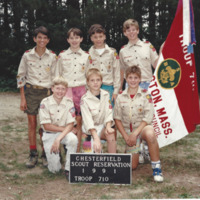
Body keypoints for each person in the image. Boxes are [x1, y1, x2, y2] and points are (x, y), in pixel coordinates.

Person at [119, 19, 162, 162]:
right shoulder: (123, 51)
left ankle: (148, 148)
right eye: (128, 30)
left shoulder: (147, 46)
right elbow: (122, 71)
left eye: (134, 29)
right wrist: (119, 87)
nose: (131, 32)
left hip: (148, 86)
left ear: (138, 30)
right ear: (125, 33)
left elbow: (157, 64)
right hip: (130, 86)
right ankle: (137, 148)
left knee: (148, 119)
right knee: (132, 119)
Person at [114, 66, 164, 182]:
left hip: (141, 129)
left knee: (150, 134)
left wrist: (135, 134)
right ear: (126, 78)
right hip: (129, 134)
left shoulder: (146, 95)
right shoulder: (120, 96)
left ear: (140, 79)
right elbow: (117, 119)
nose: (133, 80)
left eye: (135, 78)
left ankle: (156, 168)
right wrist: (127, 137)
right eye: (130, 77)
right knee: (132, 166)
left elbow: (147, 118)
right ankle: (139, 148)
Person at [17, 26, 57, 168]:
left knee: (45, 126)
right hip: (31, 92)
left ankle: (46, 154)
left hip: (47, 93)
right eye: (39, 37)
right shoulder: (27, 55)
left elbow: (55, 77)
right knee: (32, 124)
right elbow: (21, 76)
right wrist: (23, 98)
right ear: (34, 39)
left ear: (48, 40)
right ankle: (33, 154)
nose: (42, 40)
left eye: (45, 38)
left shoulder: (52, 56)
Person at [56, 28, 89, 152]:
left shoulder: (86, 56)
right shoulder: (62, 55)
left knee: (80, 122)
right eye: (71, 38)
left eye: (77, 37)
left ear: (81, 39)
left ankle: (77, 151)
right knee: (67, 120)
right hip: (66, 91)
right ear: (67, 40)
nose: (74, 40)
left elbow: (90, 76)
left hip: (81, 91)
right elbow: (57, 76)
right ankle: (66, 146)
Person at [39, 76, 78, 180]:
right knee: (54, 170)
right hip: (49, 134)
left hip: (63, 133)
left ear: (66, 90)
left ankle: (69, 168)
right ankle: (57, 159)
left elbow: (70, 124)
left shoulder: (69, 102)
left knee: (73, 139)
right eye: (57, 88)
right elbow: (47, 126)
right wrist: (61, 131)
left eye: (63, 89)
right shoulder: (45, 102)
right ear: (52, 88)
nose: (60, 91)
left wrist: (58, 138)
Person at [80, 68, 116, 153]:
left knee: (110, 134)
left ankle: (113, 162)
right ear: (87, 82)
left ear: (101, 81)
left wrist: (108, 126)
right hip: (89, 131)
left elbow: (108, 112)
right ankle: (92, 148)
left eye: (98, 80)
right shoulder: (84, 99)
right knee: (88, 158)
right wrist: (95, 137)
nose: (95, 82)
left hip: (102, 126)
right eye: (92, 80)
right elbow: (87, 120)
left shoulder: (106, 94)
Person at [87, 24, 121, 107]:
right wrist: (88, 90)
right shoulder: (88, 54)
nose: (98, 39)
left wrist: (116, 91)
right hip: (93, 88)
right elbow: (87, 73)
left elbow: (117, 73)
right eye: (95, 37)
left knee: (109, 113)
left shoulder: (112, 53)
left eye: (100, 36)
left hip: (109, 88)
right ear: (91, 38)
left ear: (104, 37)